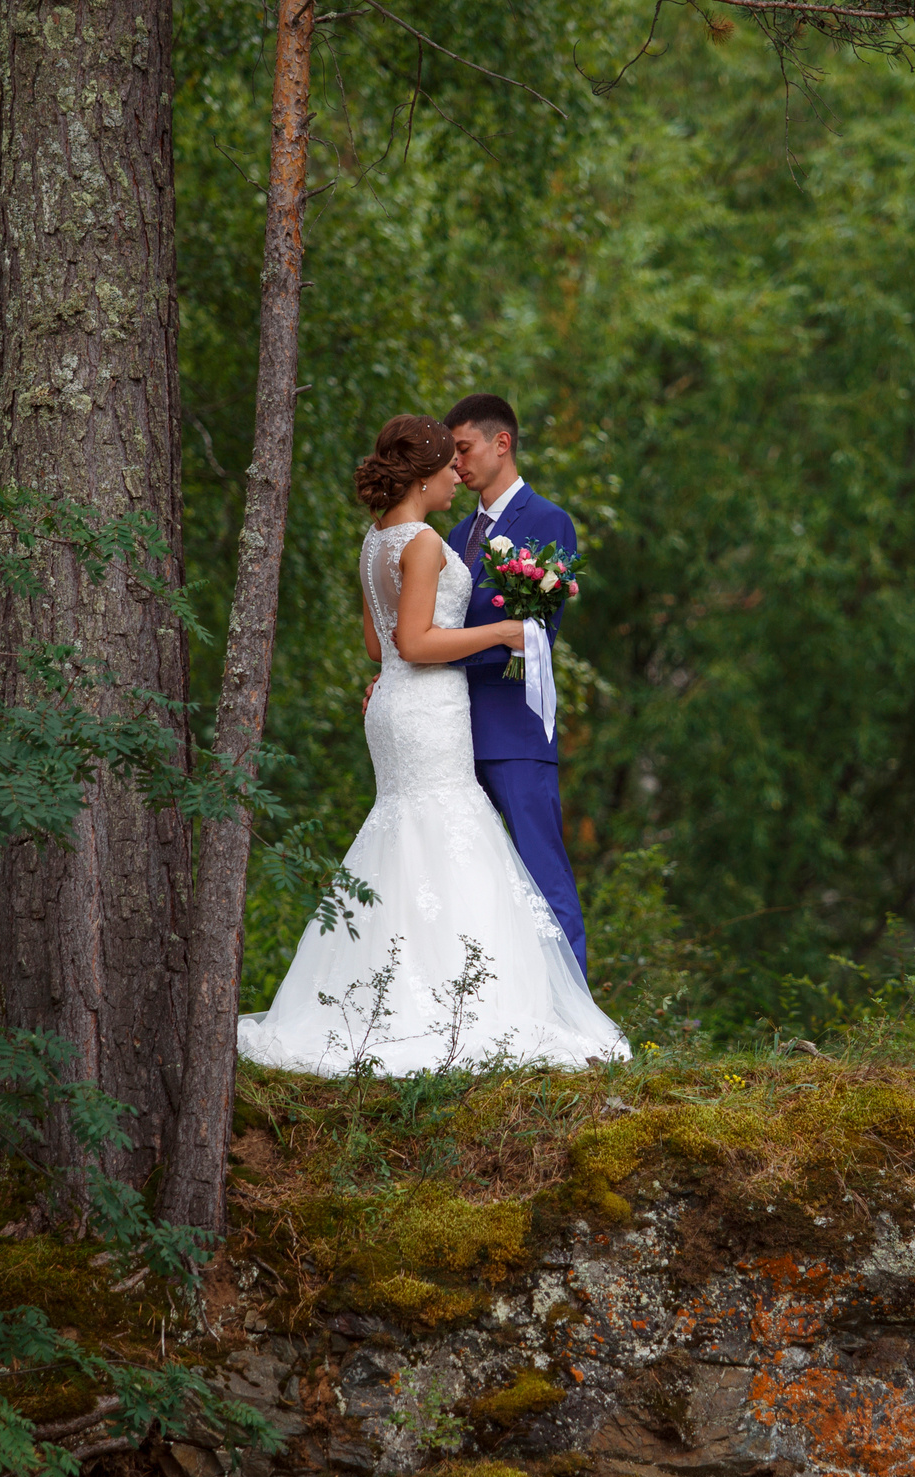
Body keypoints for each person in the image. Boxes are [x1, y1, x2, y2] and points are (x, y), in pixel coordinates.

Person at [236, 416, 626, 1076]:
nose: (456, 475)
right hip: (428, 705)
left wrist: (407, 660)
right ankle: (459, 1009)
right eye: (448, 464)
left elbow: (379, 645)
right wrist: (501, 632)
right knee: (446, 833)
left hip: (395, 703)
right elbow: (416, 643)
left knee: (405, 837)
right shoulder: (421, 541)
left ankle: (394, 994)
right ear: (423, 476)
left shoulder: (375, 539)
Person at [440, 393, 591, 971]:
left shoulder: (549, 522)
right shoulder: (453, 534)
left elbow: (534, 640)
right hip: (449, 731)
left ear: (501, 443)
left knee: (542, 873)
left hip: (514, 731)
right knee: (469, 882)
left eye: (464, 449)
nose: (456, 465)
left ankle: (576, 1018)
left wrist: (447, 659)